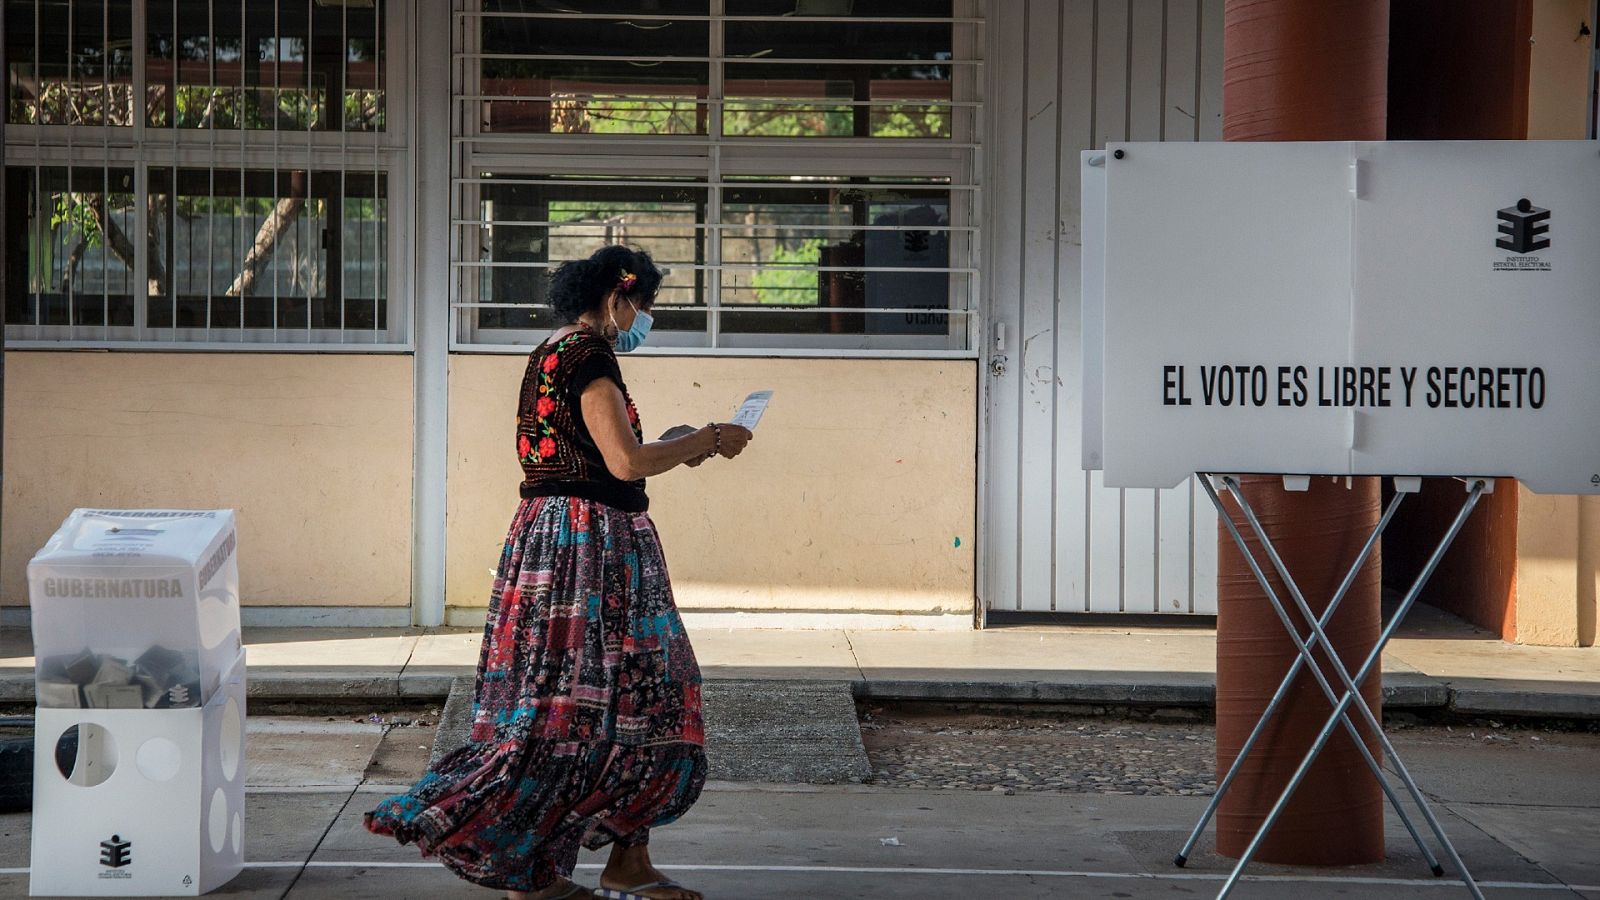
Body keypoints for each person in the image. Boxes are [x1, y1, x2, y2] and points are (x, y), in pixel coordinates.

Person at [366, 245, 752, 900]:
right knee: (644, 695)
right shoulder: (590, 355)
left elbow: (601, 454)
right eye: (643, 305)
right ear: (616, 299)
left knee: (565, 705)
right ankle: (577, 866)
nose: (645, 319)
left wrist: (677, 443)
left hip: (555, 543)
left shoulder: (551, 352)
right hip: (589, 549)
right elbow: (625, 464)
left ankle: (561, 870)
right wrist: (709, 437)